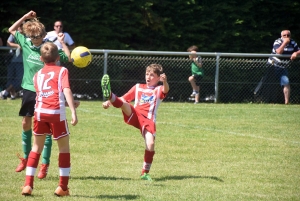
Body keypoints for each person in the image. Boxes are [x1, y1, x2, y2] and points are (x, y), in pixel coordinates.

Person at [9, 11, 72, 179]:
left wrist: (61, 42)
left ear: (43, 34)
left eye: (39, 35)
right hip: (29, 89)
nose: (36, 38)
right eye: (33, 36)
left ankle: (44, 164)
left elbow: (68, 58)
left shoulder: (48, 48)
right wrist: (25, 17)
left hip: (46, 93)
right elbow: (11, 29)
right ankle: (26, 158)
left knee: (48, 129)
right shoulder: (26, 42)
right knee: (26, 123)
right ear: (29, 35)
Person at [21, 42, 78, 196]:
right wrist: (72, 110)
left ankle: (28, 185)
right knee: (64, 149)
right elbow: (65, 89)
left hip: (40, 112)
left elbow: (45, 94)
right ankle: (62, 188)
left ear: (41, 58)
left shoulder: (37, 75)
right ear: (58, 57)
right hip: (56, 113)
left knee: (36, 148)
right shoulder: (63, 71)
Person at [101, 64, 169, 181]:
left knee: (151, 144)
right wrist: (109, 102)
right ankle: (109, 94)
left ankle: (145, 173)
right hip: (136, 115)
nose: (148, 77)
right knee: (125, 105)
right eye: (147, 74)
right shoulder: (138, 87)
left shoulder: (158, 90)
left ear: (158, 78)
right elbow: (123, 98)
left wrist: (165, 82)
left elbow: (165, 90)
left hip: (148, 120)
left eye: (152, 75)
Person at [268, 30, 300, 104]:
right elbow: (278, 52)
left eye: (288, 35)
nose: (286, 37)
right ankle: (265, 100)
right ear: (281, 36)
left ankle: (286, 102)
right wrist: (285, 42)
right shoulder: (277, 42)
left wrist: (296, 53)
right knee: (268, 83)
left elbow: (299, 50)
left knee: (286, 82)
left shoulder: (293, 42)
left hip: (283, 66)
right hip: (272, 65)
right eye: (284, 35)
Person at [0, 24, 24, 100]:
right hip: (11, 60)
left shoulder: (27, 35)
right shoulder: (14, 34)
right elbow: (8, 43)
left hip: (21, 62)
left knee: (19, 79)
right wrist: (18, 46)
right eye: (20, 26)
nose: (20, 28)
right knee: (10, 78)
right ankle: (12, 94)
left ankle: (5, 92)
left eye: (22, 26)